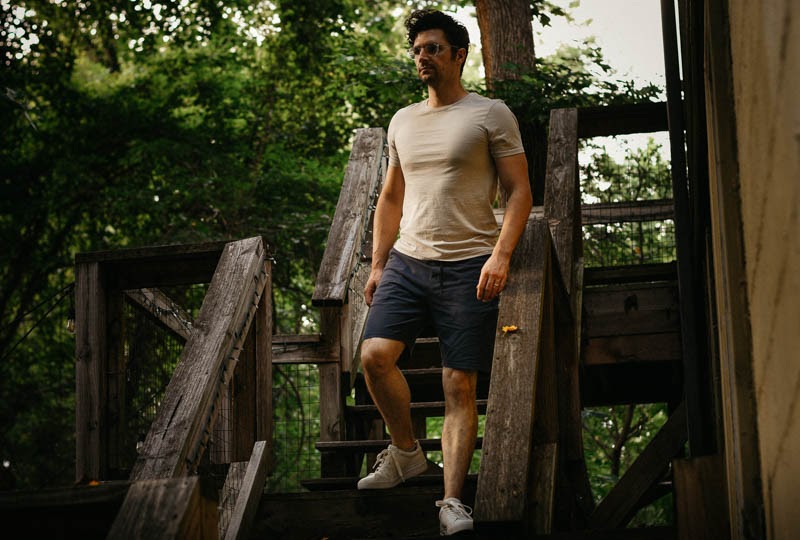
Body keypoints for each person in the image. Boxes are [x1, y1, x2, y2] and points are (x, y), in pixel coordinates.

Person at [356, 8, 533, 536]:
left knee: (459, 383)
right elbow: (391, 195)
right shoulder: (402, 120)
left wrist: (500, 254)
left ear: (459, 55)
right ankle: (406, 453)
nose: (422, 57)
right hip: (408, 262)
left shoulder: (490, 114)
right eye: (416, 50)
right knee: (373, 357)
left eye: (433, 48)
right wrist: (378, 263)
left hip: (469, 265)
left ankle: (452, 501)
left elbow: (520, 191)